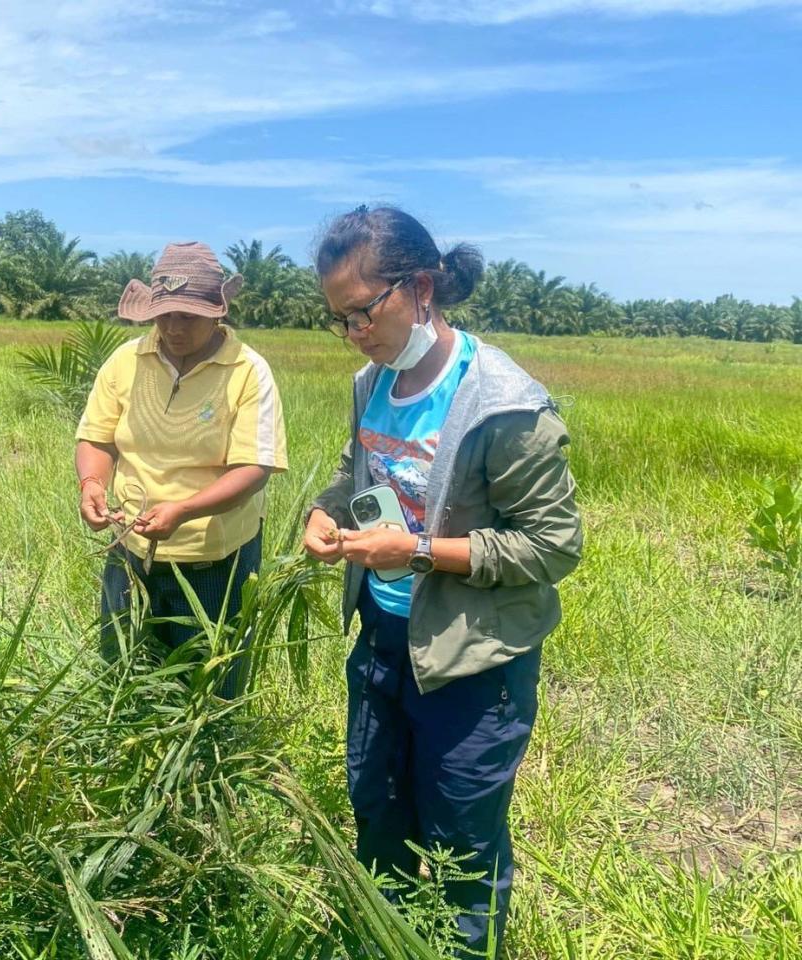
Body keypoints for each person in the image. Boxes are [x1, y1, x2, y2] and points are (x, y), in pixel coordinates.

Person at [301, 206, 582, 955]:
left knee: (462, 847)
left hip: (471, 663)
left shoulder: (504, 404)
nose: (357, 334)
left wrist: (420, 551)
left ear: (420, 287)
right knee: (380, 819)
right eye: (341, 320)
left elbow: (552, 547)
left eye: (365, 311)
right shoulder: (372, 383)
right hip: (383, 644)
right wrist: (323, 516)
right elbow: (355, 469)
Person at [76, 241, 288, 695]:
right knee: (125, 674)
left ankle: (212, 764)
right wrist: (91, 483)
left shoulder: (249, 371)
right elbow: (97, 437)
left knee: (209, 682)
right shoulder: (125, 361)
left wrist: (183, 511)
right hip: (130, 547)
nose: (172, 327)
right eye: (164, 314)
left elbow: (253, 469)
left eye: (187, 316)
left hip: (214, 557)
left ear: (218, 312)